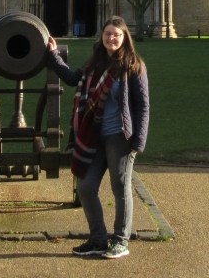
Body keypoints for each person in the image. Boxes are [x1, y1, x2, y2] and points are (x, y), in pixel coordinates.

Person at [45, 16, 149, 260]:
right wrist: (53, 54)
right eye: (108, 34)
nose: (111, 38)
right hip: (94, 135)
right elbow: (72, 78)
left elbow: (142, 106)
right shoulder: (95, 65)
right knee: (86, 186)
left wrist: (138, 142)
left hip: (119, 137)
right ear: (101, 37)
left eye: (116, 34)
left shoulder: (134, 66)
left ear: (124, 39)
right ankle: (99, 238)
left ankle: (121, 241)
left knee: (120, 187)